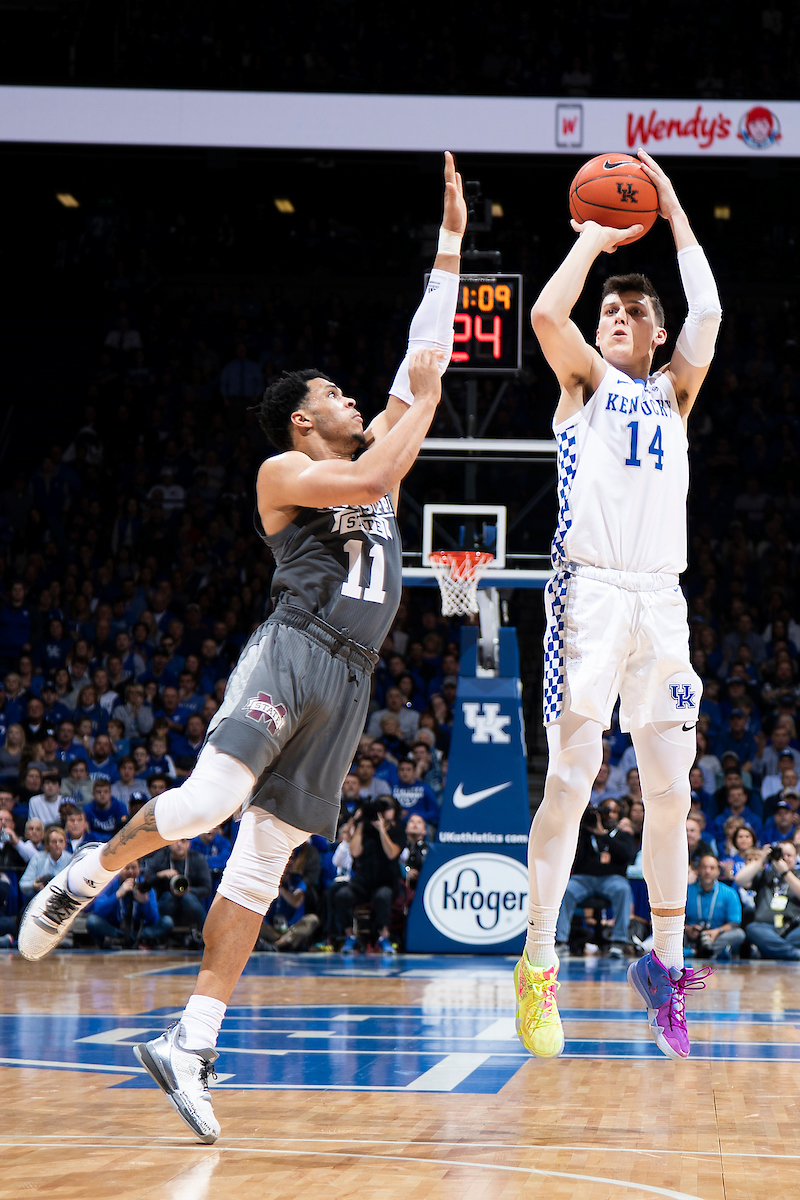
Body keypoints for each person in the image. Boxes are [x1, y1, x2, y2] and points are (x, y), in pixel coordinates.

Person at [18, 153, 466, 1145]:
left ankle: (190, 1043)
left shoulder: (369, 454)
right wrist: (423, 406)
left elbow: (418, 350)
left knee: (263, 864)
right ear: (308, 418)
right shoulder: (288, 469)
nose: (363, 401)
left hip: (349, 681)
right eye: (343, 397)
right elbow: (387, 451)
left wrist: (450, 243)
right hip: (294, 651)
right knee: (207, 806)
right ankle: (96, 865)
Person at [518, 148, 721, 1061]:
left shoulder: (676, 391)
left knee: (672, 793)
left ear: (657, 330)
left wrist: (672, 211)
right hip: (590, 592)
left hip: (662, 603)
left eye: (632, 309)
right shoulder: (587, 384)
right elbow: (546, 311)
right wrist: (595, 242)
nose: (614, 316)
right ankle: (538, 964)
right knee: (572, 775)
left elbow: (709, 311)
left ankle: (664, 965)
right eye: (611, 310)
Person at [554, 800, 636, 957]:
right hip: (584, 879)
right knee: (567, 890)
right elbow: (576, 862)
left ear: (619, 816)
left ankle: (619, 941)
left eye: (613, 812)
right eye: (606, 811)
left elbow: (626, 856)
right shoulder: (583, 834)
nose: (609, 815)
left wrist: (603, 836)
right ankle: (561, 941)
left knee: (623, 889)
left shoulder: (623, 835)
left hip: (612, 879)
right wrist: (584, 831)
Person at [334, 798, 406, 955]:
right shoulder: (364, 831)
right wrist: (360, 825)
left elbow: (392, 853)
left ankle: (384, 938)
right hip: (363, 882)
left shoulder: (397, 832)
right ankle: (349, 937)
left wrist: (381, 830)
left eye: (386, 809)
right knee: (342, 895)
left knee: (383, 896)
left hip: (386, 882)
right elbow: (354, 852)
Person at [734, 841, 800, 960]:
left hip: (792, 928)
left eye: (789, 855)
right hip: (765, 927)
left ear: (796, 858)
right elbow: (740, 880)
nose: (784, 858)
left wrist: (785, 873)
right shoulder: (765, 875)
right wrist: (761, 859)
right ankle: (794, 954)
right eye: (781, 854)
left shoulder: (798, 875)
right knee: (752, 928)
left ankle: (771, 949)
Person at [86, 860, 173, 949]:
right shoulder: (110, 884)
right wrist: (117, 895)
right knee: (92, 921)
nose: (130, 871)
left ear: (139, 870)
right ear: (119, 869)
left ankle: (131, 939)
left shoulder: (145, 887)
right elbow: (97, 910)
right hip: (115, 927)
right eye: (127, 868)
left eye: (134, 868)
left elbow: (154, 919)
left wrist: (145, 903)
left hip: (138, 929)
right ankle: (123, 938)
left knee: (167, 922)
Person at [684, 854, 745, 961]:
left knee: (739, 934)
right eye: (704, 867)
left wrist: (717, 931)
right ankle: (700, 952)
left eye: (712, 868)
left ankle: (700, 953)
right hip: (691, 935)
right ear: (698, 870)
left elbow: (734, 922)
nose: (708, 871)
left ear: (718, 871)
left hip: (716, 936)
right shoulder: (686, 892)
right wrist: (688, 929)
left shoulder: (729, 892)